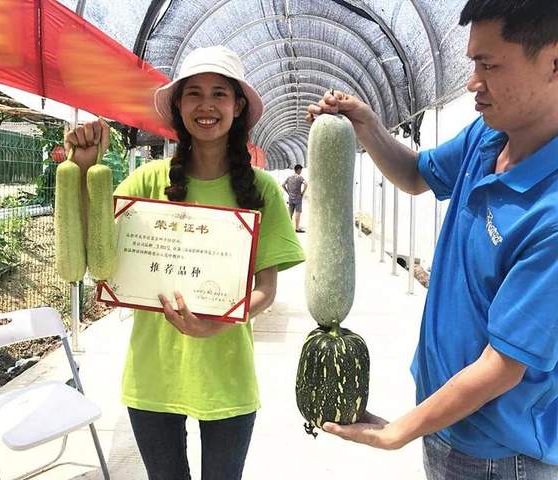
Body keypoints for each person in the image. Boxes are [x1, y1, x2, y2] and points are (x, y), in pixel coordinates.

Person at [306, 0, 558, 478]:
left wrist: (398, 431)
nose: (473, 82)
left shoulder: (551, 214)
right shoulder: (488, 135)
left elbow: (503, 366)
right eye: (472, 63)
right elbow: (415, 174)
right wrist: (367, 125)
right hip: (446, 423)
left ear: (554, 62)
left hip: (500, 456)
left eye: (488, 65)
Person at [65, 45, 304, 479]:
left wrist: (218, 323)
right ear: (178, 105)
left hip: (227, 376)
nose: (206, 105)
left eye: (219, 94)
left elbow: (266, 290)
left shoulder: (262, 189)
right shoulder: (147, 180)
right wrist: (82, 171)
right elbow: (96, 253)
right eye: (194, 93)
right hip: (153, 374)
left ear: (237, 106)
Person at [282, 164, 308, 232]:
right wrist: (302, 192)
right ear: (298, 170)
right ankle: (297, 228)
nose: (301, 171)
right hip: (298, 198)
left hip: (290, 198)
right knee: (298, 212)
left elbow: (283, 185)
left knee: (290, 213)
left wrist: (288, 192)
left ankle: (288, 228)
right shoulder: (300, 177)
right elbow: (306, 184)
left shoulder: (289, 177)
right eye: (301, 170)